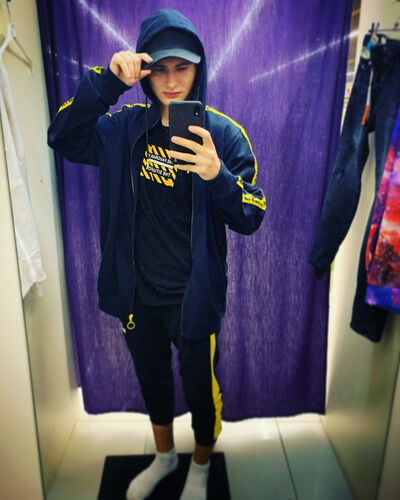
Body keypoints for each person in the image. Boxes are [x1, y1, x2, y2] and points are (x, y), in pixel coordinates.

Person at [48, 8, 266, 500]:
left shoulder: (223, 135)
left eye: (182, 68)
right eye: (160, 69)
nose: (171, 81)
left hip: (193, 299)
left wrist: (218, 177)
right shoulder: (122, 128)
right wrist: (107, 83)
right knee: (152, 382)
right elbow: (62, 136)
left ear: (198, 68)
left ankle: (201, 466)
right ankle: (165, 457)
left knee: (201, 390)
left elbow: (252, 215)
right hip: (136, 296)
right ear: (145, 71)